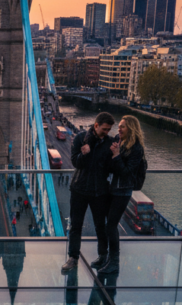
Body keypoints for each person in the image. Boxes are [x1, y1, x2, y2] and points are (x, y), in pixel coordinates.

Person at [62, 112, 116, 273]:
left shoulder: (110, 143)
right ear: (96, 125)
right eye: (104, 129)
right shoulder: (80, 138)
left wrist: (115, 155)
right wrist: (84, 153)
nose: (107, 133)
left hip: (99, 191)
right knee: (75, 225)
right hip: (79, 189)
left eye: (109, 130)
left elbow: (111, 169)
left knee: (101, 226)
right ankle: (73, 258)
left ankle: (102, 256)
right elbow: (75, 162)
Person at [100, 116, 146, 275]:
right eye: (119, 126)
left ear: (131, 129)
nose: (118, 129)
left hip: (123, 191)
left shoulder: (137, 149)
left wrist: (117, 155)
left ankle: (114, 262)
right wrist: (111, 153)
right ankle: (107, 259)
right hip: (111, 188)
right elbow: (110, 166)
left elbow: (126, 173)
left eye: (122, 127)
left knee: (111, 226)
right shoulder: (118, 141)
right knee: (108, 225)